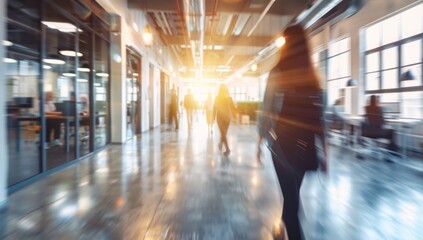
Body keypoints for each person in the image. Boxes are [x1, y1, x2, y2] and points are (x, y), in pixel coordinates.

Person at [257, 24, 327, 240]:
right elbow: (319, 119)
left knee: (291, 201)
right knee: (292, 195)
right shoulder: (313, 77)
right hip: (305, 149)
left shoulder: (277, 73)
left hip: (282, 147)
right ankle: (284, 225)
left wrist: (258, 142)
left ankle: (288, 224)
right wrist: (325, 152)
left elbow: (267, 109)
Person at [214, 84, 237, 156]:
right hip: (220, 118)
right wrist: (212, 117)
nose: (223, 90)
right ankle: (227, 149)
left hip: (227, 119)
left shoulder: (229, 98)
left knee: (224, 134)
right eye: (222, 89)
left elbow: (233, 107)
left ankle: (221, 143)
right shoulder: (217, 98)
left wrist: (235, 116)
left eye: (224, 89)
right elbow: (215, 107)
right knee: (223, 133)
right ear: (220, 90)